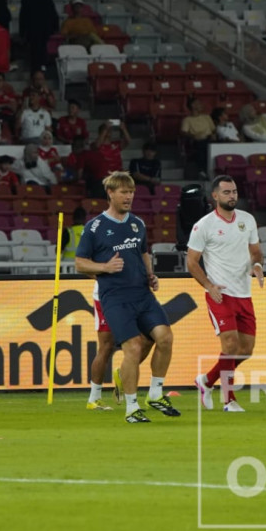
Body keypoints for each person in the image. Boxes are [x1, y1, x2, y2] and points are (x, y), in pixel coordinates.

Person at [74, 172, 178, 424]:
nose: (128, 196)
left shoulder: (138, 224)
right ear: (110, 193)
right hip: (115, 298)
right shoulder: (95, 227)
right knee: (132, 347)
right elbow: (79, 263)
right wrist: (104, 268)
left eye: (131, 192)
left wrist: (151, 274)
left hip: (142, 294)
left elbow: (143, 252)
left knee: (165, 337)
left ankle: (154, 394)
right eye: (123, 191)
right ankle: (131, 408)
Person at [187, 176, 264, 412]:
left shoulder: (248, 220)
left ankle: (207, 381)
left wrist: (258, 265)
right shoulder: (204, 225)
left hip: (244, 293)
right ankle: (229, 400)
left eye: (234, 191)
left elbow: (256, 252)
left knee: (246, 350)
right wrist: (209, 285)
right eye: (227, 192)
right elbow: (191, 262)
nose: (232, 196)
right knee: (230, 345)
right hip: (219, 294)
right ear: (216, 196)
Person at [19, 0, 58, 70]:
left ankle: (35, 67)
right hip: (45, 28)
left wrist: (22, 32)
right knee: (43, 46)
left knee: (33, 49)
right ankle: (43, 65)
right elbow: (53, 14)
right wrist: (55, 27)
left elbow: (23, 17)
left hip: (31, 29)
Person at [181, 97, 216, 180]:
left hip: (210, 139)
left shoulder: (207, 117)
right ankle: (203, 171)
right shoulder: (187, 120)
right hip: (198, 140)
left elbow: (213, 129)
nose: (201, 105)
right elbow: (183, 132)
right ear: (193, 106)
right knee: (202, 146)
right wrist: (193, 136)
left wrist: (214, 134)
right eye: (198, 103)